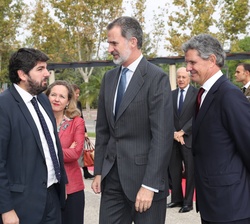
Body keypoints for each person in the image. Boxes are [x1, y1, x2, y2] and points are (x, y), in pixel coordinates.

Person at [91, 16, 173, 224]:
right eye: (109, 43)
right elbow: (103, 130)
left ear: (133, 42)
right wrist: (99, 170)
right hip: (112, 181)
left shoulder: (156, 78)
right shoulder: (109, 78)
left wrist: (149, 185)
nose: (109, 49)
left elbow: (162, 136)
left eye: (114, 43)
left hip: (145, 182)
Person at [182, 34, 250, 223]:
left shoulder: (229, 95)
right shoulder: (204, 93)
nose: (188, 68)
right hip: (213, 205)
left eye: (192, 62)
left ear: (211, 60)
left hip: (232, 207)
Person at [0, 48, 67, 224]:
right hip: (21, 205)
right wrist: (6, 209)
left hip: (53, 197)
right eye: (40, 69)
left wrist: (62, 184)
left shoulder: (43, 100)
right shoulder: (4, 106)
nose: (46, 73)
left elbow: (52, 144)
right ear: (22, 74)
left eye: (46, 68)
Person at [45, 80, 85, 224]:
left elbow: (76, 153)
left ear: (68, 101)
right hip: (46, 189)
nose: (56, 99)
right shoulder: (39, 121)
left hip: (72, 188)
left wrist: (46, 150)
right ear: (46, 96)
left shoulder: (77, 122)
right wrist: (65, 151)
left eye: (62, 96)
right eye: (53, 95)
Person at [167, 67, 197, 213]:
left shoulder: (196, 94)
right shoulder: (170, 95)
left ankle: (188, 202)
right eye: (178, 77)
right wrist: (174, 132)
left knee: (190, 171)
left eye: (183, 77)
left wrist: (183, 132)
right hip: (173, 139)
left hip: (188, 139)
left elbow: (197, 116)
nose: (180, 80)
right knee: (174, 170)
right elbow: (166, 114)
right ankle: (176, 199)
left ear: (189, 78)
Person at [72, 84, 94, 179]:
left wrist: (85, 131)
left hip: (79, 130)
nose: (77, 95)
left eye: (78, 93)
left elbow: (81, 118)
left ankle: (85, 171)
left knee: (82, 151)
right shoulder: (67, 103)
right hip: (72, 130)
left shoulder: (78, 103)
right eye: (76, 93)